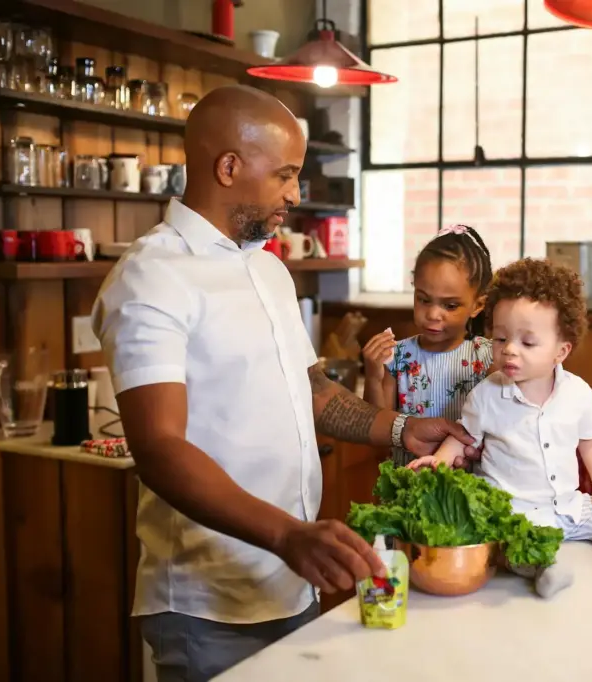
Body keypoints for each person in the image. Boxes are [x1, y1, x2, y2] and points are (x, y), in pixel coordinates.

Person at [91, 85, 476, 682]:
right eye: (286, 175)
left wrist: (403, 429)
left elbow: (314, 391)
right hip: (210, 603)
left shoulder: (267, 268)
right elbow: (159, 449)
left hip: (293, 584)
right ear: (229, 167)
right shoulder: (151, 277)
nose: (296, 194)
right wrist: (288, 535)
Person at [409, 258, 592, 597]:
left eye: (527, 343)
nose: (510, 351)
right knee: (504, 543)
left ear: (561, 351)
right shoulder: (486, 395)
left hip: (565, 507)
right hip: (511, 511)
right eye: (500, 339)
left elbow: (590, 440)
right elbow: (462, 438)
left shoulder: (576, 393)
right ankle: (541, 567)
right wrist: (440, 460)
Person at [361, 224, 496, 466]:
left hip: (469, 486)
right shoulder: (398, 357)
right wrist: (373, 375)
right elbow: (378, 435)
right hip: (407, 482)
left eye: (450, 305)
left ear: (477, 305)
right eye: (423, 299)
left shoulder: (488, 357)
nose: (433, 314)